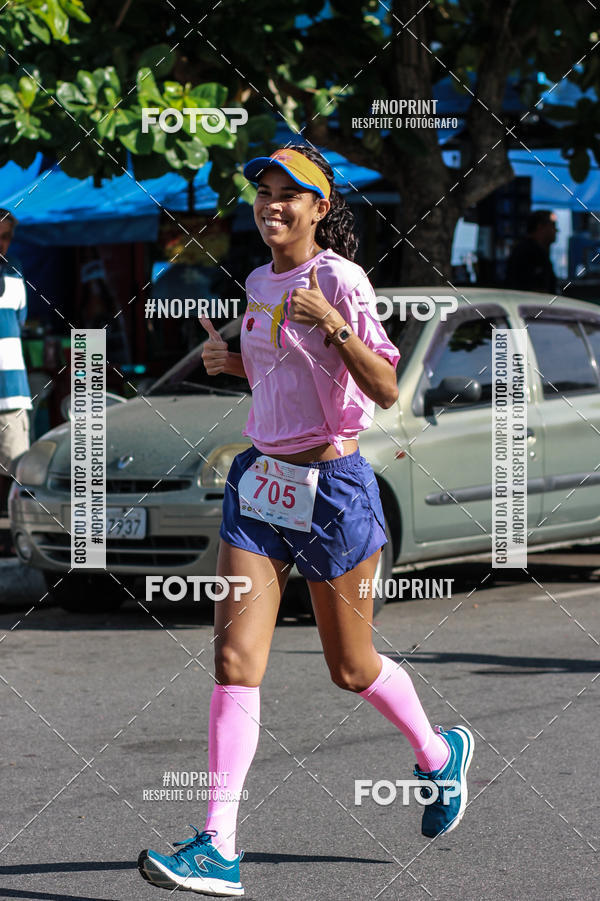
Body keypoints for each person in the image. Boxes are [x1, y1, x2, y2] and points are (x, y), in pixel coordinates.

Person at [138, 146, 474, 896]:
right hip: (261, 482)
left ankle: (437, 753)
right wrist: (233, 367)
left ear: (320, 208)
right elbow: (283, 374)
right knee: (234, 661)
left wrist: (334, 324)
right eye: (264, 191)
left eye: (289, 193)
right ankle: (218, 844)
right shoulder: (258, 281)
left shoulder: (341, 280)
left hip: (333, 487)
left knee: (350, 668)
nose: (272, 204)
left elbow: (384, 388)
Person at [0, 209, 31, 554]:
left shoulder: (15, 272)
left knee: (16, 468)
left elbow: (19, 321)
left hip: (12, 392)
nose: (1, 243)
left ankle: (12, 540)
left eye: (6, 236)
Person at [504, 209, 558, 293]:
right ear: (540, 226)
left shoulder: (541, 252)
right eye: (553, 225)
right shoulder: (525, 252)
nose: (556, 230)